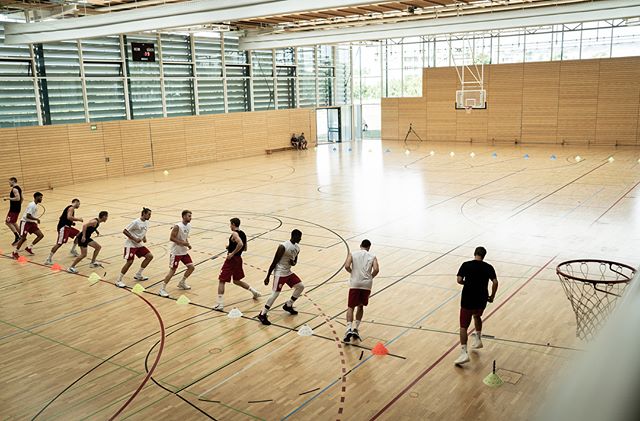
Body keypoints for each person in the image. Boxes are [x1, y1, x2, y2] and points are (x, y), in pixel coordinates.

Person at [454, 246, 499, 365]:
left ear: (475, 253)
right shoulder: (488, 267)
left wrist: (467, 283)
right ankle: (478, 339)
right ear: (484, 255)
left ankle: (464, 353)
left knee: (463, 327)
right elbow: (495, 282)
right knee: (477, 316)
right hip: (481, 299)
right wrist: (492, 296)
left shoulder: (466, 265)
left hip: (468, 299)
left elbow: (459, 280)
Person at [258, 229, 305, 326]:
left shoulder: (297, 248)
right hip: (279, 273)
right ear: (294, 236)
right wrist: (268, 276)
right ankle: (262, 314)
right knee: (275, 294)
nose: (300, 239)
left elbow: (295, 262)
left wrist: (293, 263)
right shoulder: (283, 246)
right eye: (299, 237)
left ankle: (288, 305)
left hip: (288, 272)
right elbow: (274, 262)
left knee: (300, 286)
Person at [213, 217, 260, 311]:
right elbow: (245, 248)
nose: (230, 226)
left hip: (232, 260)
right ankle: (254, 292)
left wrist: (232, 253)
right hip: (238, 259)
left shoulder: (234, 233)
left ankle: (220, 304)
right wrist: (230, 247)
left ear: (233, 224)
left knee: (222, 280)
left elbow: (240, 244)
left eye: (230, 224)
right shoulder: (243, 234)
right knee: (236, 280)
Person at [343, 239, 379, 343]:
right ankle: (356, 328)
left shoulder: (353, 254)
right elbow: (376, 269)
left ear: (360, 245)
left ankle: (348, 329)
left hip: (355, 283)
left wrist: (352, 272)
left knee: (351, 307)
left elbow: (346, 266)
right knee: (360, 306)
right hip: (366, 284)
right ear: (369, 247)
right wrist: (370, 277)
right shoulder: (372, 256)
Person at [158, 210, 194, 298]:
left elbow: (185, 237)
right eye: (189, 216)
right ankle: (162, 289)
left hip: (183, 252)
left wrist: (188, 244)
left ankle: (182, 282)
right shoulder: (177, 226)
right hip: (176, 252)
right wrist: (182, 243)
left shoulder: (189, 226)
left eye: (191, 216)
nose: (190, 218)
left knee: (191, 267)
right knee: (172, 271)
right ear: (184, 216)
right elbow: (171, 238)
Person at [116, 208, 154, 288]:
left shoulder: (147, 222)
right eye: (149, 214)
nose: (150, 216)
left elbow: (143, 231)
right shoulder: (135, 222)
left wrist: (144, 237)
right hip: (131, 244)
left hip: (139, 244)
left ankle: (138, 274)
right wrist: (134, 239)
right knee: (130, 262)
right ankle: (118, 280)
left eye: (150, 214)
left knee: (149, 256)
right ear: (144, 214)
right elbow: (125, 231)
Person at [44, 198, 83, 265]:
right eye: (79, 204)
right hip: (64, 228)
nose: (79, 206)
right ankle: (48, 259)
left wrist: (71, 223)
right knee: (59, 243)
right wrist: (78, 219)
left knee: (79, 234)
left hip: (67, 227)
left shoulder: (69, 208)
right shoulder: (71, 208)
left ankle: (73, 250)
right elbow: (69, 217)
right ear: (76, 202)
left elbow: (62, 217)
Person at [12, 192, 44, 259]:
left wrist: (34, 221)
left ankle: (29, 248)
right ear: (36, 197)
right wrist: (36, 219)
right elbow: (28, 216)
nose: (41, 199)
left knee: (40, 235)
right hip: (25, 222)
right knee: (23, 238)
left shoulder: (35, 205)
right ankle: (15, 252)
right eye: (40, 197)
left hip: (31, 223)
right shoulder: (32, 205)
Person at [3, 177, 22, 246]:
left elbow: (18, 198)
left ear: (13, 181)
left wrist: (8, 198)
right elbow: (22, 198)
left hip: (13, 209)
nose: (9, 183)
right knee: (13, 222)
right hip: (17, 208)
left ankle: (17, 237)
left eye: (9, 182)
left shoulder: (15, 189)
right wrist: (19, 205)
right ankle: (22, 236)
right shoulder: (19, 188)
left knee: (8, 222)